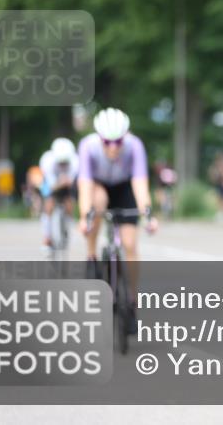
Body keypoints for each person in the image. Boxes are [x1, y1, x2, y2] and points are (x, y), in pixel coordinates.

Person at [77, 108, 158, 331]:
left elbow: (140, 183)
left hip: (125, 188)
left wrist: (148, 215)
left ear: (125, 136)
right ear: (99, 138)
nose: (113, 147)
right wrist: (85, 217)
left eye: (118, 141)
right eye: (107, 142)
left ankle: (132, 300)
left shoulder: (135, 146)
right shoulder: (88, 146)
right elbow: (84, 185)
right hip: (98, 186)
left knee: (130, 244)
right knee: (98, 203)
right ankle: (91, 255)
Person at [38, 138, 79, 248]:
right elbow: (50, 186)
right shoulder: (47, 161)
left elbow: (74, 182)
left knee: (70, 203)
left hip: (67, 185)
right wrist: (61, 182)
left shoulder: (76, 161)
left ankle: (67, 226)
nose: (63, 165)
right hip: (52, 183)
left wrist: (67, 182)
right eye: (60, 162)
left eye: (65, 162)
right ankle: (47, 237)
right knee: (48, 205)